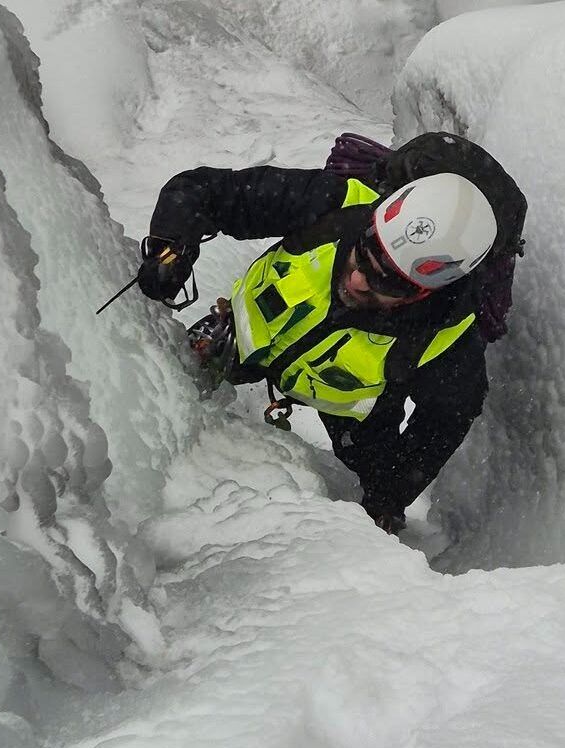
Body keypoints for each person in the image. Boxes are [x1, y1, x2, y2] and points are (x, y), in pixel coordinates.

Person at [135, 136, 522, 534]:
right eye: (363, 254)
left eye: (382, 281)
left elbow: (447, 422)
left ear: (424, 291)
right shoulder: (333, 205)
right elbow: (204, 191)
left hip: (353, 411)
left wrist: (391, 493)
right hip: (244, 333)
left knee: (380, 484)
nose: (357, 279)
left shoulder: (447, 340)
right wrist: (171, 248)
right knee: (163, 381)